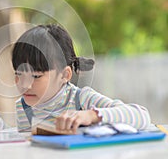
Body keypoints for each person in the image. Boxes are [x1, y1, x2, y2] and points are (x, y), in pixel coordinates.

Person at [12, 24, 151, 133]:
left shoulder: (81, 99)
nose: (25, 85)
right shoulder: (22, 107)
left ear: (65, 75)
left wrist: (91, 116)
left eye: (36, 76)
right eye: (18, 74)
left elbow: (141, 116)